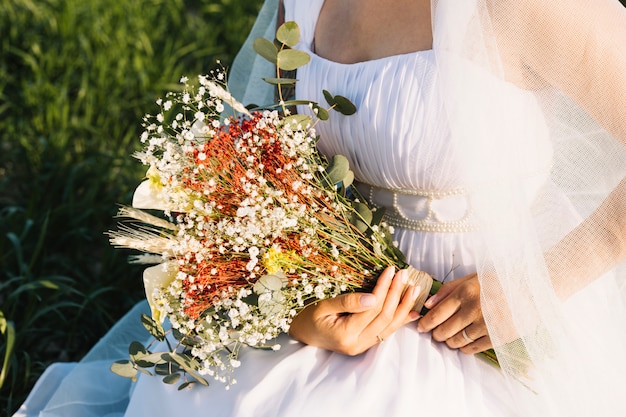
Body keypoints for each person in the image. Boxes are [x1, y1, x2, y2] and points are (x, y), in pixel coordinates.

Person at [15, 0, 626, 416]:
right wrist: (292, 308)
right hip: (328, 278)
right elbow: (258, 159)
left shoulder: (527, 7)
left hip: (482, 309)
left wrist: (532, 287)